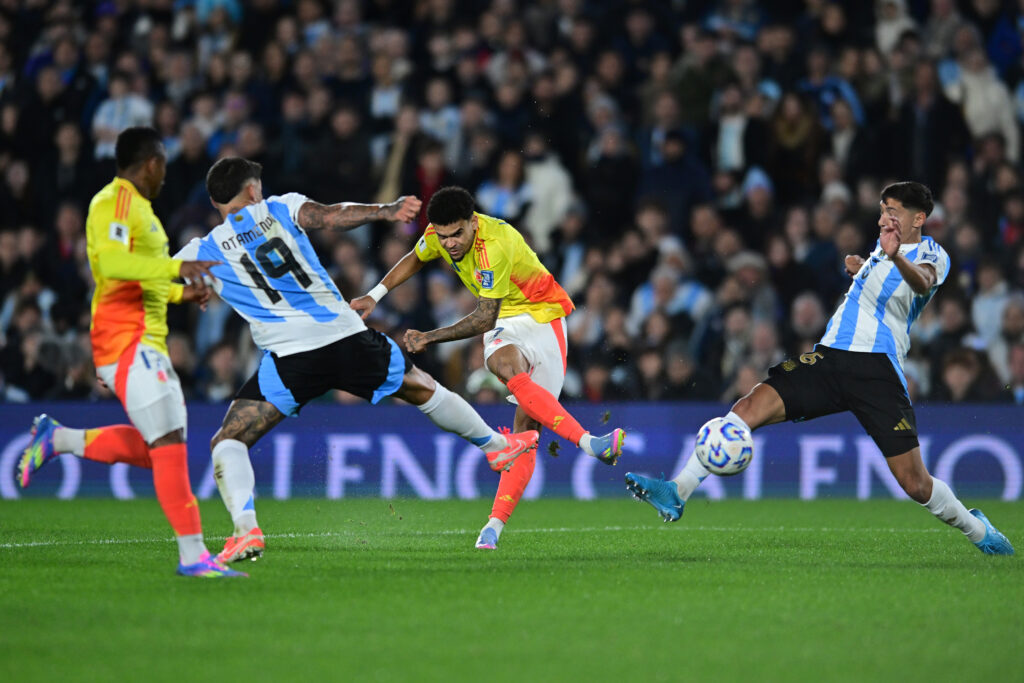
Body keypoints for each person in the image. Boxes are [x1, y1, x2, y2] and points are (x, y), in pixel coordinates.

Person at [174, 158, 539, 563]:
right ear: (251, 191)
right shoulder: (279, 208)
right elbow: (331, 217)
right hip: (345, 336)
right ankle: (496, 445)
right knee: (421, 387)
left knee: (229, 440)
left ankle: (246, 530)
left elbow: (150, 285)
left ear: (213, 201)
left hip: (291, 358)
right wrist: (385, 210)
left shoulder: (199, 251)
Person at [625, 181, 1014, 556]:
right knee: (745, 410)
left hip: (877, 370)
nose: (883, 220)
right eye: (882, 212)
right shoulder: (881, 251)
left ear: (918, 218)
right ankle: (677, 491)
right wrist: (865, 264)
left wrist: (892, 256)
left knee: (914, 483)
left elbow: (922, 282)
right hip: (829, 359)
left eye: (893, 212)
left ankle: (977, 528)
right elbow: (880, 284)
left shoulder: (932, 254)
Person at [17, 127, 245, 578]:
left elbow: (142, 277)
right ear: (152, 163)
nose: (164, 173)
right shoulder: (115, 202)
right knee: (167, 446)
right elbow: (114, 264)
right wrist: (175, 266)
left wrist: (181, 294)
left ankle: (58, 439)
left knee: (164, 448)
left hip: (142, 340)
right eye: (163, 163)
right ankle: (193, 556)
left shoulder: (140, 210)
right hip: (127, 339)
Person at [351, 186, 626, 550]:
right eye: (442, 235)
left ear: (472, 222)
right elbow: (417, 257)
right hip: (506, 324)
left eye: (456, 234)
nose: (448, 244)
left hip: (544, 317)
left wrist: (430, 337)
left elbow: (483, 317)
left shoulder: (494, 244)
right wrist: (375, 294)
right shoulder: (439, 233)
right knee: (501, 363)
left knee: (526, 430)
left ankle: (500, 518)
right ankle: (499, 523)